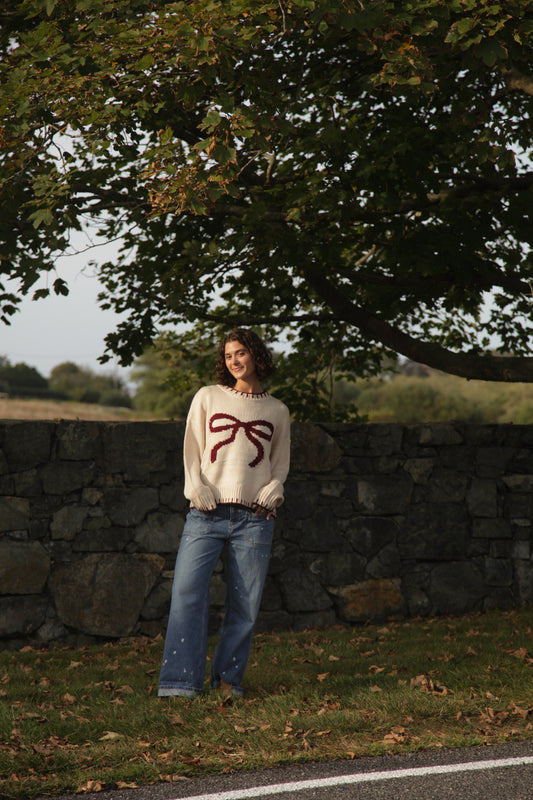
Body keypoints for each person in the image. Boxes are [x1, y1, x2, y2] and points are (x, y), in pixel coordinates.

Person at [158, 328, 291, 698]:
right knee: (186, 595)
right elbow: (191, 449)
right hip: (206, 513)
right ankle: (179, 684)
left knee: (245, 606)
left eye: (241, 353)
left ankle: (228, 681)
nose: (234, 360)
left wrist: (274, 490)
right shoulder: (208, 397)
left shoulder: (277, 410)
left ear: (257, 356)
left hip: (255, 518)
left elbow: (279, 466)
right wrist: (195, 487)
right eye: (229, 355)